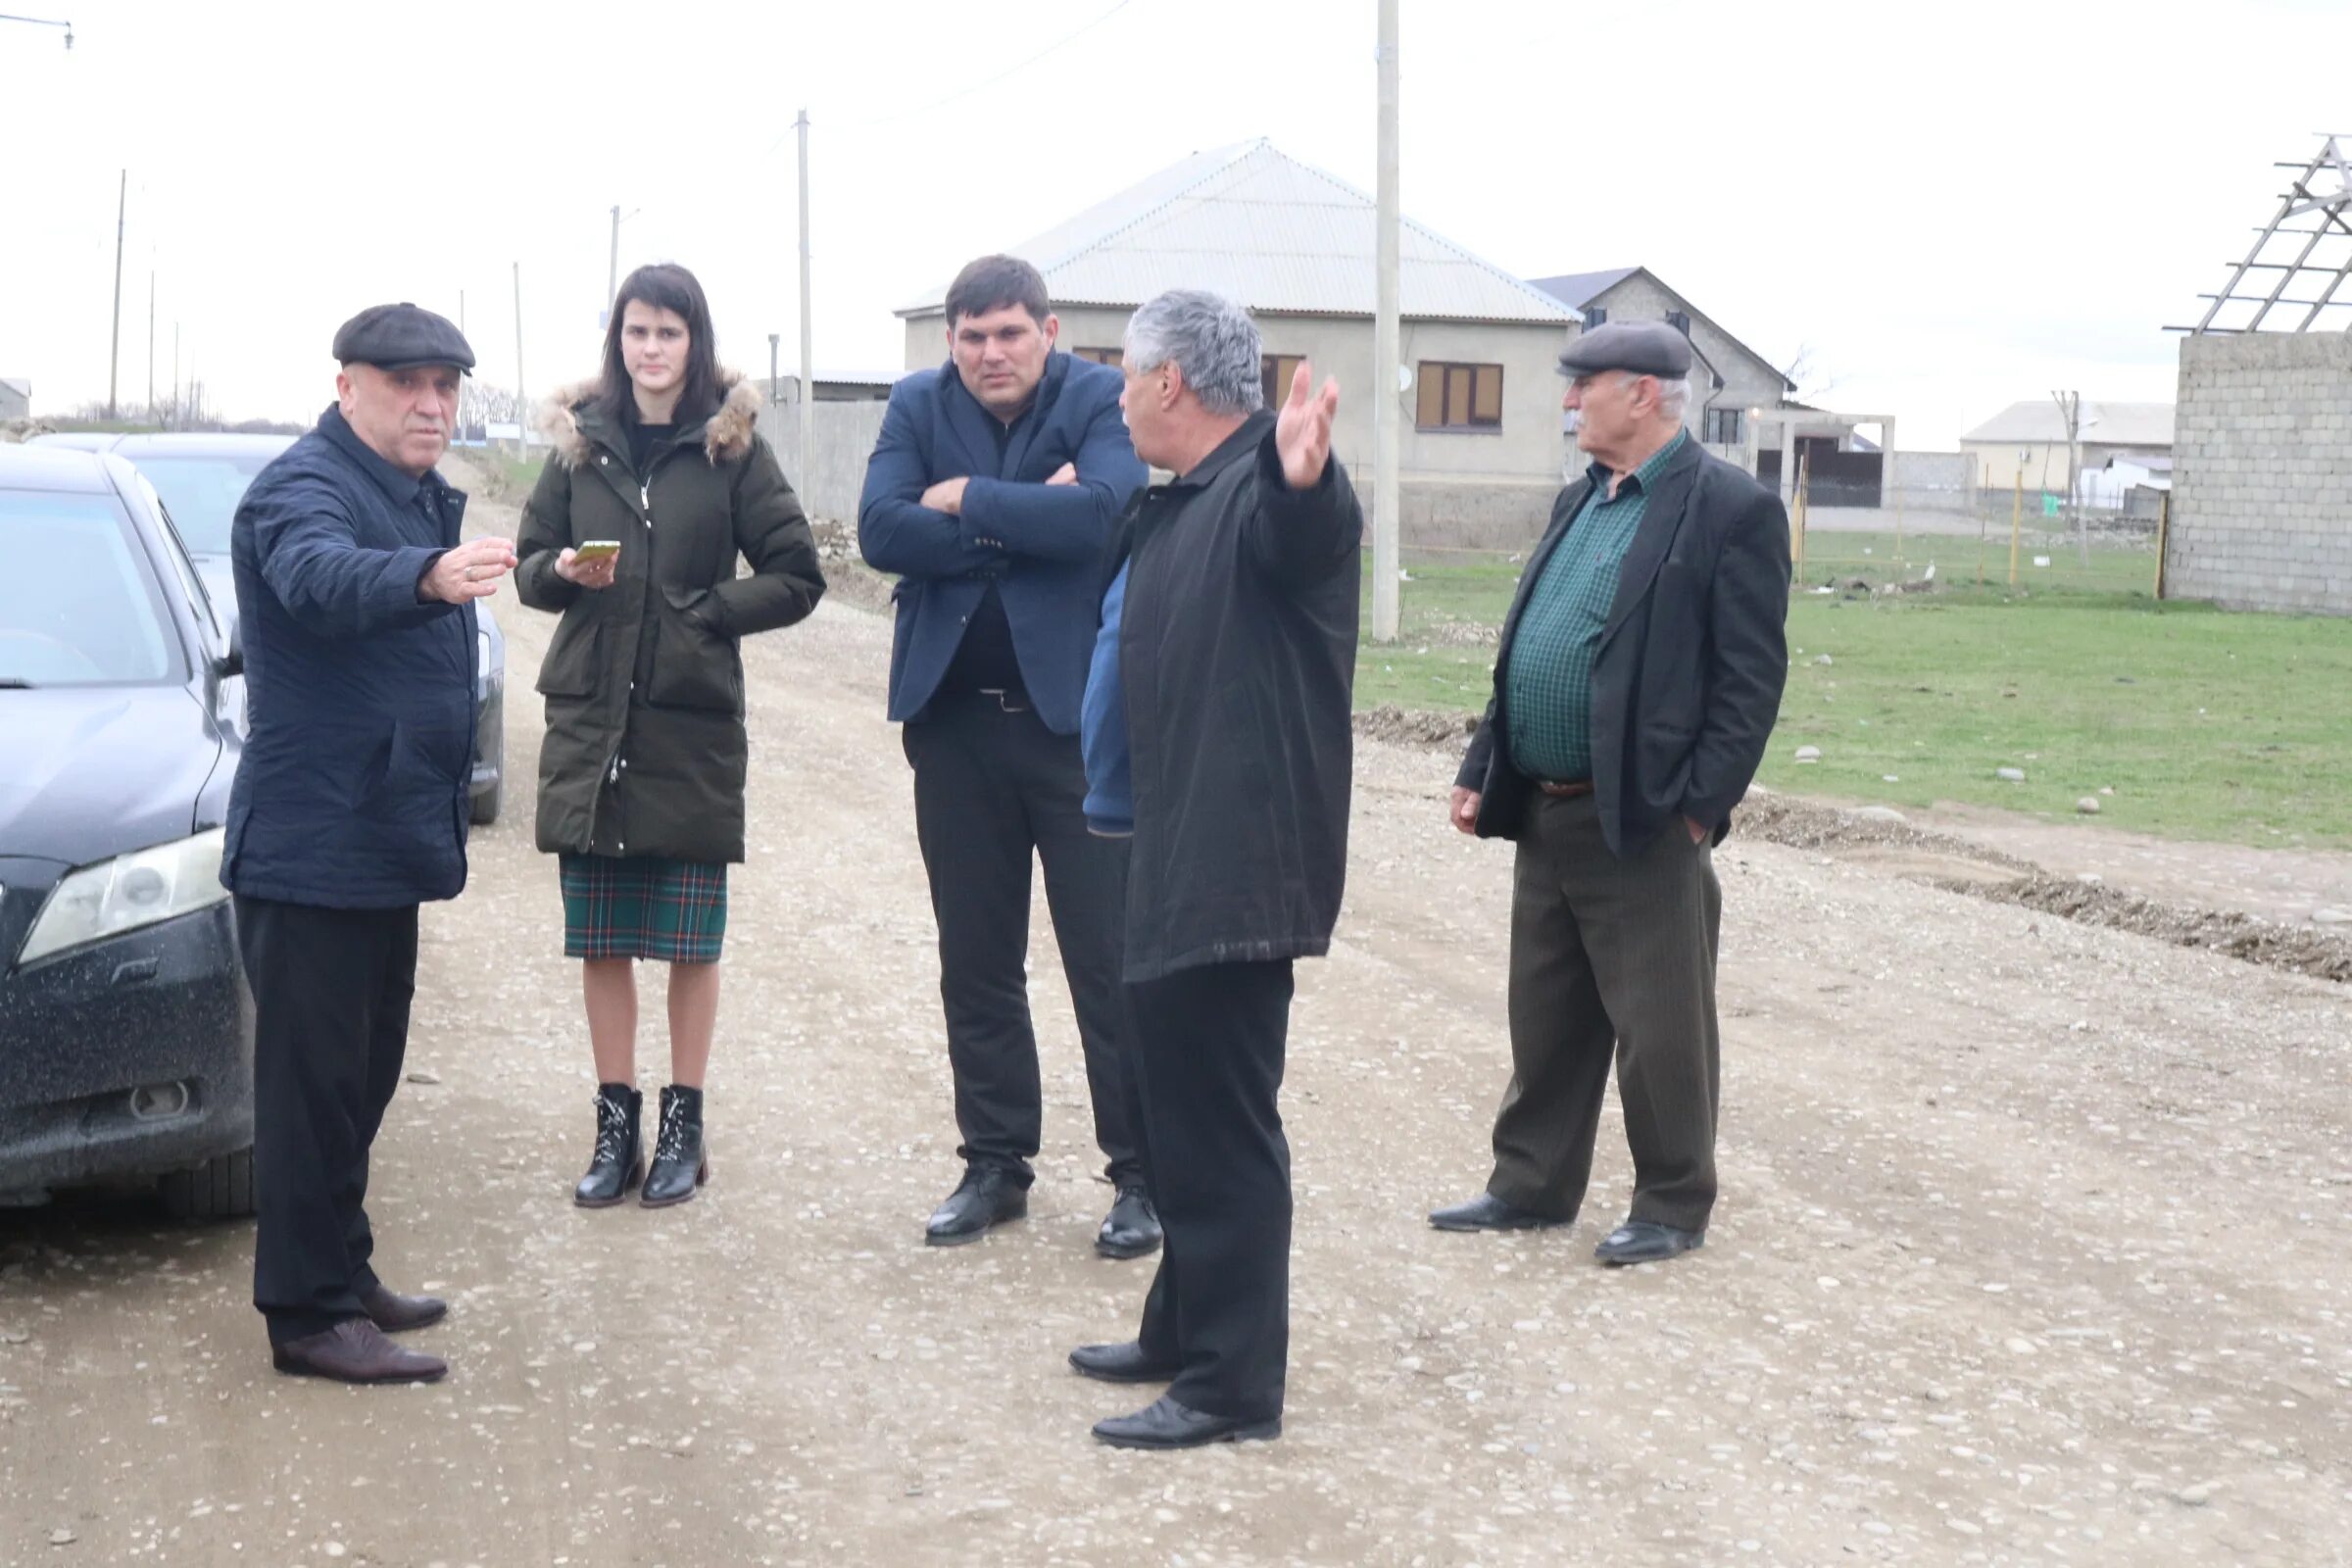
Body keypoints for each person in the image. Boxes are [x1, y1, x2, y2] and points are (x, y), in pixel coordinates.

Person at [1428, 320, 1790, 1266]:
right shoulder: (1579, 502)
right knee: (1545, 1012)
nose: (1568, 401)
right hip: (1545, 804)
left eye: (1583, 384)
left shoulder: (1728, 511)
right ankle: (1532, 1185)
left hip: (1643, 815)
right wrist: (1483, 764)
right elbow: (1532, 643)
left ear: (1643, 394)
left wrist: (1698, 808)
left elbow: (1749, 681)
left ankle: (1672, 1200)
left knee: (1660, 1024)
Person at [1067, 290, 1361, 1450]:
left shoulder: (1259, 490)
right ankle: (1181, 1324)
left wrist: (1303, 476)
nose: (1118, 394)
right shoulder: (1179, 498)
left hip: (1234, 865)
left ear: (1170, 384)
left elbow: (1306, 534)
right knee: (1172, 1109)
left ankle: (1232, 1385)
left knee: (1222, 1126)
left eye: (1124, 375)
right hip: (1169, 846)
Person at [225, 302, 514, 1384]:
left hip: (378, 839)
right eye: (408, 384)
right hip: (313, 843)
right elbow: (318, 577)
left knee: (363, 1074)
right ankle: (305, 1313)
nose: (432, 404)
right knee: (309, 1090)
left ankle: (343, 1269)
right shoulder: (303, 487)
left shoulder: (410, 491)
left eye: (446, 385)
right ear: (349, 387)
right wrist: (424, 575)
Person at [858, 255, 1157, 1256]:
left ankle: (1143, 1176)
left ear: (1049, 330)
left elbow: (1104, 513)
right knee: (977, 960)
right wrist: (1023, 511)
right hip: (953, 725)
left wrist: (965, 500)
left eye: (1010, 333)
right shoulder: (913, 404)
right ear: (951, 339)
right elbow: (879, 531)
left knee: (1107, 961)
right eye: (973, 336)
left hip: (1074, 728)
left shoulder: (1101, 396)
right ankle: (995, 1164)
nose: (991, 353)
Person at [514, 264, 825, 1210]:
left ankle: (685, 1126)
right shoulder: (580, 447)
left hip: (689, 726)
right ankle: (617, 1127)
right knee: (603, 940)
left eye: (668, 333)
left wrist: (702, 613)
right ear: (618, 340)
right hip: (593, 720)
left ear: (696, 341)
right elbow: (528, 568)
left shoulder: (730, 451)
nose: (650, 350)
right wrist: (562, 569)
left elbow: (797, 573)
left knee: (691, 940)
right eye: (636, 332)